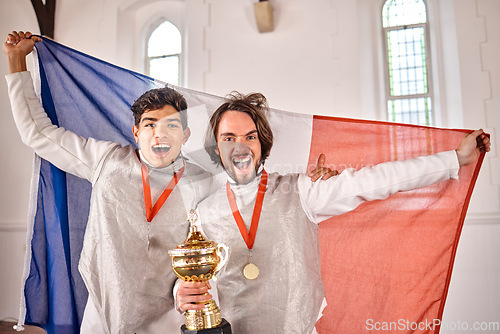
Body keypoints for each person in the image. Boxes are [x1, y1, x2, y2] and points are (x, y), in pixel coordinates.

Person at [4, 31, 335, 334]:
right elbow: (38, 133)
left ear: (185, 134)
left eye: (171, 126)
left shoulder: (204, 177)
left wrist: (310, 181)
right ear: (136, 131)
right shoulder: (104, 160)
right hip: (103, 316)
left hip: (168, 317)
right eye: (149, 125)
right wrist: (16, 62)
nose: (159, 134)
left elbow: (250, 173)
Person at [177, 92, 491, 334]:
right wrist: (182, 292)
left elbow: (378, 180)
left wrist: (454, 159)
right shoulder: (203, 214)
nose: (240, 147)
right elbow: (185, 279)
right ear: (217, 149)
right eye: (228, 138)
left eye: (250, 136)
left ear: (264, 144)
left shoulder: (303, 190)